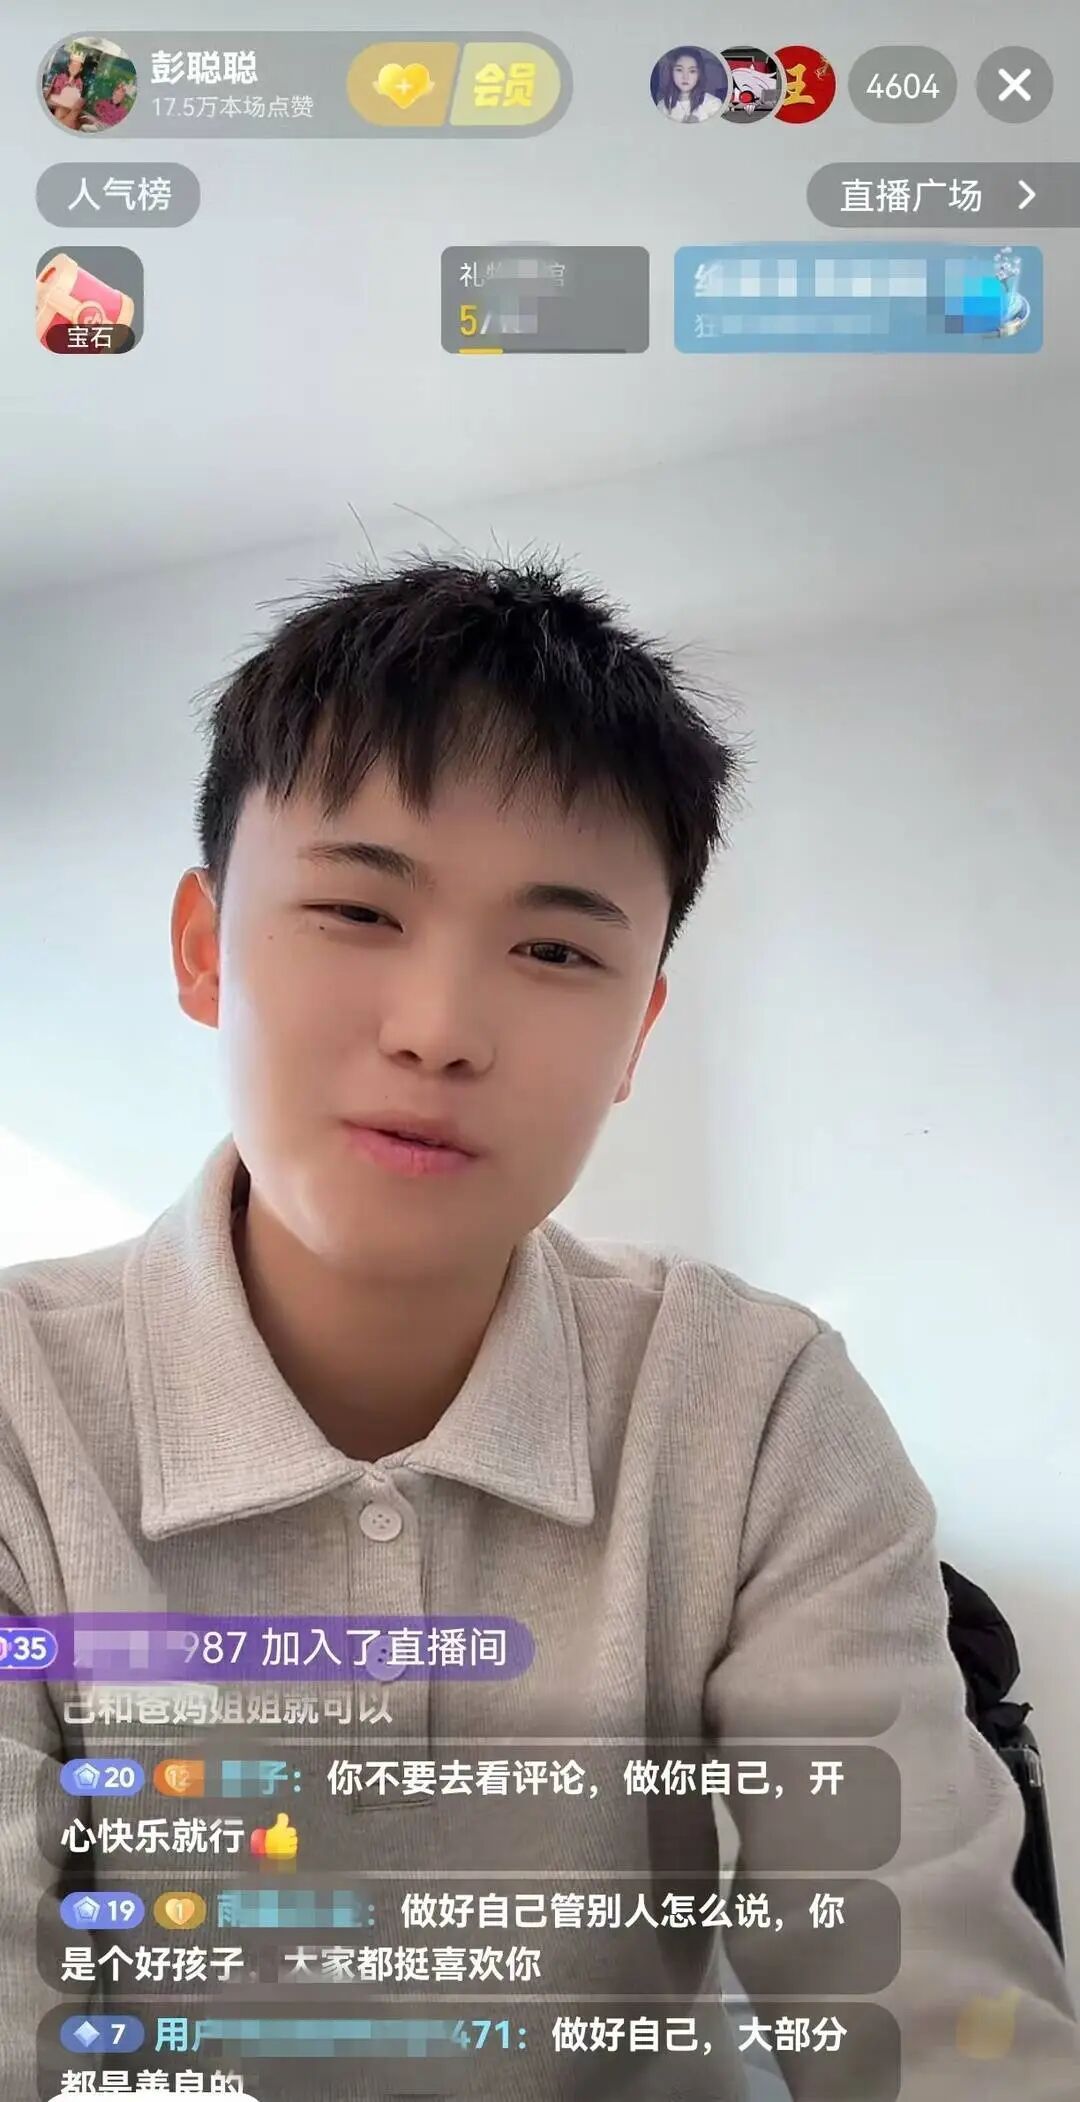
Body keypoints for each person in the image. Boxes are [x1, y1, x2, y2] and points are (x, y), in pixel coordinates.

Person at [1, 554, 1078, 2099]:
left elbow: (928, 1997)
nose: (440, 1028)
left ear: (638, 1030)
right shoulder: (22, 1410)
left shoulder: (755, 1404)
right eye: (357, 907)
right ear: (204, 944)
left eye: (558, 949)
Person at [654, 46, 727, 124]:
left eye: (692, 71)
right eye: (679, 70)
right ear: (671, 72)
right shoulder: (662, 106)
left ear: (699, 74)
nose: (685, 77)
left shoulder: (713, 104)